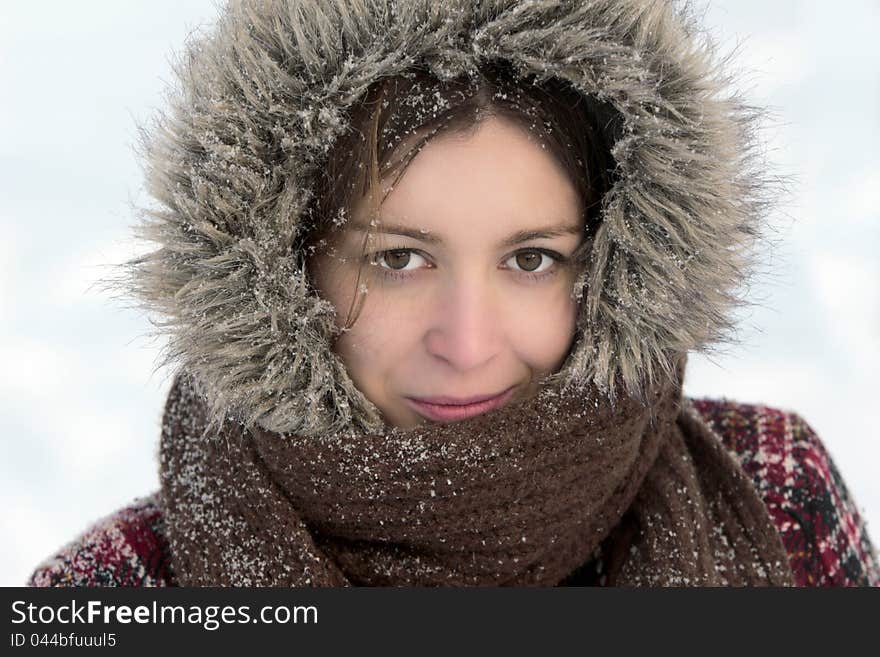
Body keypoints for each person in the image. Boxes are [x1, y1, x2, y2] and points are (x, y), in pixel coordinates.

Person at [29, 0, 878, 587]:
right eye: (398, 260)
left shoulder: (776, 490)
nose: (467, 344)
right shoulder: (112, 592)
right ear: (283, 271)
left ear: (618, 266)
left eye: (533, 259)